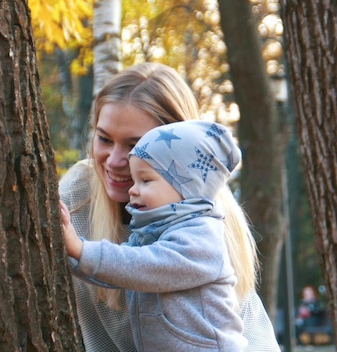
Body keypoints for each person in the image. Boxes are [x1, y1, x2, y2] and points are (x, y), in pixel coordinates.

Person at [58, 62, 280, 351]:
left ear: (182, 160)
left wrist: (80, 249)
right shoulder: (78, 192)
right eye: (104, 139)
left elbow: (141, 265)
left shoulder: (203, 229)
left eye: (134, 146)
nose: (114, 160)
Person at [61, 120, 248, 351]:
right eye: (134, 179)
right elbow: (117, 273)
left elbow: (141, 266)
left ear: (186, 187)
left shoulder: (201, 238)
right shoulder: (154, 232)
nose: (132, 189)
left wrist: (80, 248)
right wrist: (72, 258)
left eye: (145, 180)